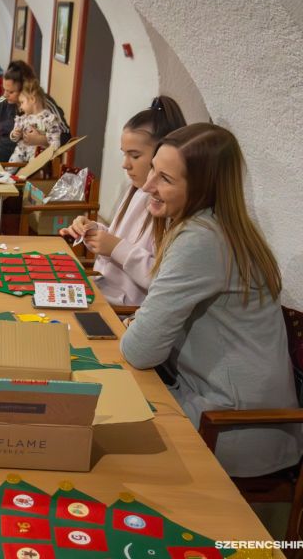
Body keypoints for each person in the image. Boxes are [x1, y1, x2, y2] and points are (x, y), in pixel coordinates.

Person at [121, 123, 303, 478]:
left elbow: (140, 350)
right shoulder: (222, 225)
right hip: (225, 408)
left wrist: (139, 329)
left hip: (235, 427)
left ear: (204, 188)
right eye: (153, 170)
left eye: (165, 179)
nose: (147, 186)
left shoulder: (200, 239)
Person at [59, 96, 187, 306]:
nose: (125, 165)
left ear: (161, 155)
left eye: (135, 156)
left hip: (123, 308)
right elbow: (123, 238)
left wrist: (115, 247)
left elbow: (161, 281)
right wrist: (94, 230)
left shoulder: (169, 205)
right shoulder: (136, 190)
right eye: (124, 154)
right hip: (104, 290)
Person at [0, 61, 69, 161]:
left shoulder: (43, 103)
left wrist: (41, 140)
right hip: (4, 157)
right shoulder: (5, 100)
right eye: (4, 90)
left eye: (11, 92)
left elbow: (66, 136)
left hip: (30, 162)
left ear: (24, 88)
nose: (5, 95)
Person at [8, 78, 62, 164]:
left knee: (33, 166)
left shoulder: (48, 119)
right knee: (10, 165)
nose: (20, 107)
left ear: (32, 99)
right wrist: (15, 134)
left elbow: (55, 141)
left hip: (38, 154)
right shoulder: (23, 118)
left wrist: (43, 142)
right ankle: (7, 175)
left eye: (22, 102)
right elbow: (14, 137)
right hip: (21, 151)